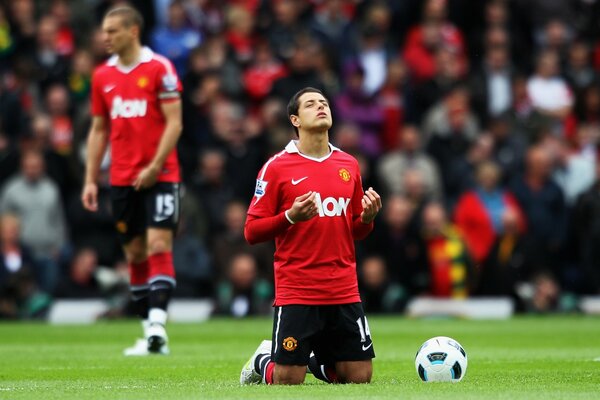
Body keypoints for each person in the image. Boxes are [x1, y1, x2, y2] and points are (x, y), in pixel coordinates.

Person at [239, 87, 382, 385]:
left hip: (343, 288)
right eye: (311, 104)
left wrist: (367, 219)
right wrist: (291, 216)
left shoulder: (349, 165)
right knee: (288, 380)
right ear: (295, 119)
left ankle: (312, 360)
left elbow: (356, 230)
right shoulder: (276, 167)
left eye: (324, 103)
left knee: (359, 378)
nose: (320, 107)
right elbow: (252, 231)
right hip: (298, 289)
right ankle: (263, 360)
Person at [80, 6, 182, 356]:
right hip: (122, 179)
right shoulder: (101, 77)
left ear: (133, 31)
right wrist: (91, 179)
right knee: (135, 253)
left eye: (112, 31)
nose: (105, 37)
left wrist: (155, 165)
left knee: (157, 245)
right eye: (104, 31)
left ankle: (157, 323)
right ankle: (149, 334)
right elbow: (98, 129)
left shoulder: (160, 69)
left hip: (161, 174)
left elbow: (174, 122)